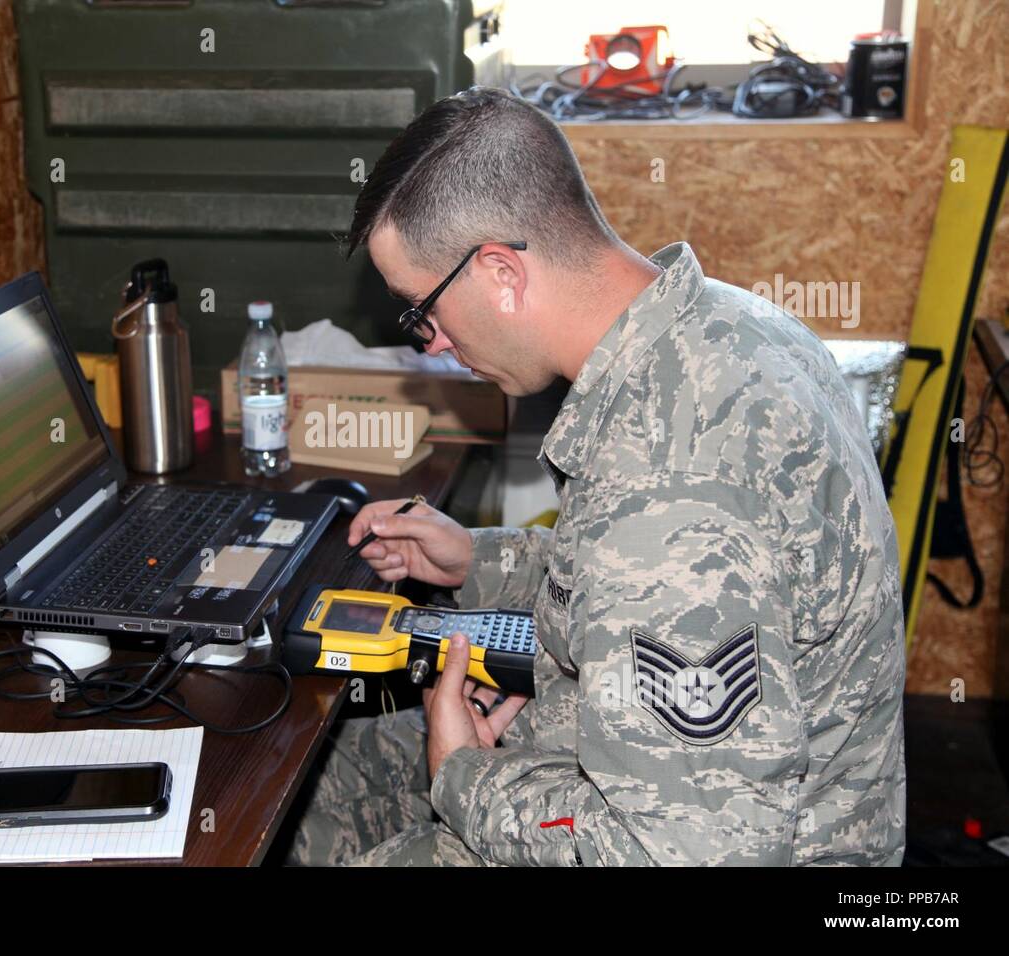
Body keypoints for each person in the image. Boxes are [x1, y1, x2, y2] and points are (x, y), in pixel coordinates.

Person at [286, 87, 906, 866]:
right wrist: (481, 562)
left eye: (421, 313)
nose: (432, 344)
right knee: (312, 777)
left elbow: (688, 854)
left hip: (692, 835)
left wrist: (466, 780)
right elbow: (656, 587)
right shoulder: (729, 326)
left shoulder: (667, 490)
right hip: (639, 763)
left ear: (502, 272)